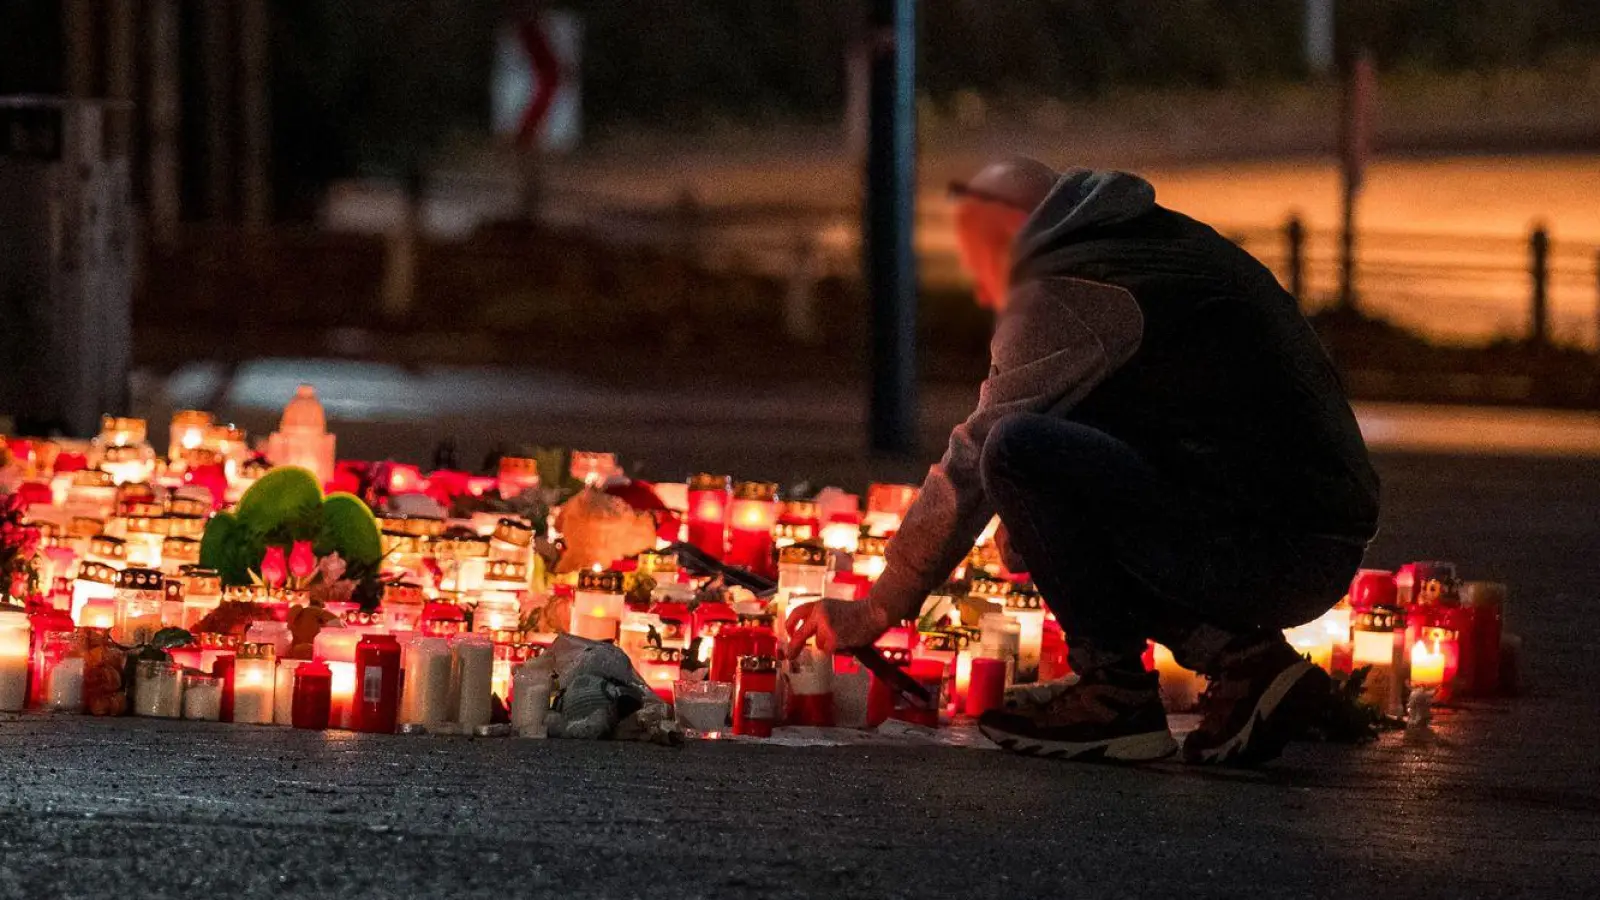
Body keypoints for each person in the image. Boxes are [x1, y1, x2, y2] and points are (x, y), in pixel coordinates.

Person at [787, 159, 1378, 766]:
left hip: (1275, 547)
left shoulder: (1061, 286)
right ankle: (1245, 664)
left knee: (1015, 453)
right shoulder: (1142, 240)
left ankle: (1113, 693)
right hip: (1305, 531)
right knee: (1033, 505)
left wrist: (880, 604)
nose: (981, 286)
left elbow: (977, 456)